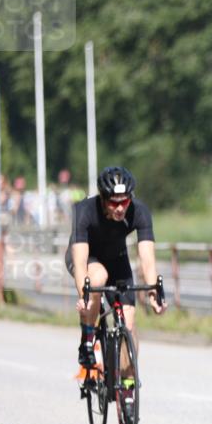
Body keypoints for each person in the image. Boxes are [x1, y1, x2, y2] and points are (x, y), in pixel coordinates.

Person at [65, 166, 166, 387]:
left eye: (124, 201)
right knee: (98, 277)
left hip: (117, 260)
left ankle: (128, 382)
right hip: (87, 257)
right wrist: (84, 295)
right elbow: (81, 262)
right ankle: (88, 339)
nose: (120, 208)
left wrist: (153, 292)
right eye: (113, 202)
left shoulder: (139, 211)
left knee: (128, 324)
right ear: (103, 199)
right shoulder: (84, 210)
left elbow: (147, 259)